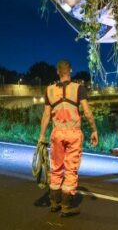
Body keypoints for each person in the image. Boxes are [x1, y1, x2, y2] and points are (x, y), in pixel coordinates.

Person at [38, 60, 98, 217]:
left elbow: (46, 115)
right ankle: (66, 206)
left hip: (57, 133)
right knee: (71, 169)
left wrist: (41, 136)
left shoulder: (49, 90)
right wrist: (94, 130)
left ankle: (54, 203)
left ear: (58, 72)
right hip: (73, 134)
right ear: (70, 70)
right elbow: (87, 112)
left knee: (56, 167)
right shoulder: (79, 88)